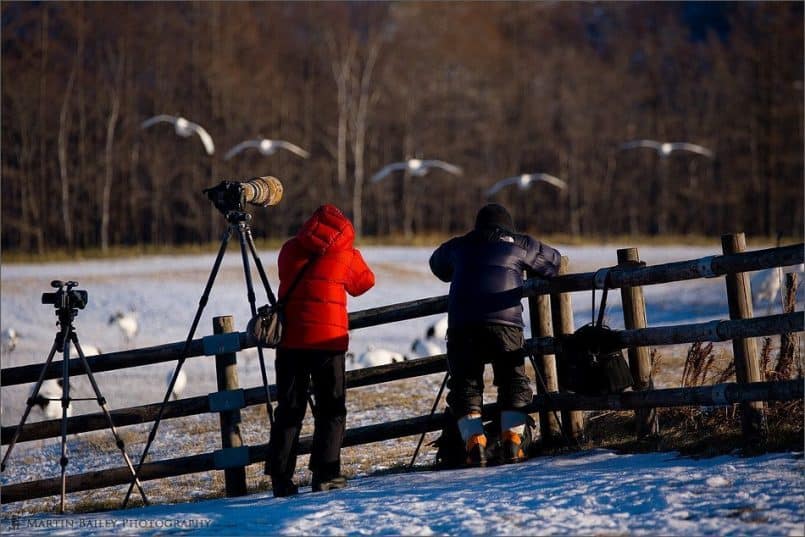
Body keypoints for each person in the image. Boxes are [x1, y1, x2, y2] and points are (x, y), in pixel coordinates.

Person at [429, 203, 561, 467]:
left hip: (462, 325)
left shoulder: (461, 245)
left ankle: (474, 445)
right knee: (513, 381)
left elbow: (436, 264)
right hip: (505, 322)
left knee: (465, 385)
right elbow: (553, 262)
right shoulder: (519, 244)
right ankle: (513, 444)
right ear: (508, 226)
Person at [269, 204, 375, 497]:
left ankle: (281, 478)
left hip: (291, 342)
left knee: (289, 410)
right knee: (331, 409)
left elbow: (283, 275)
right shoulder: (345, 254)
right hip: (328, 343)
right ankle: (325, 473)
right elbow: (365, 283)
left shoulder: (290, 249)